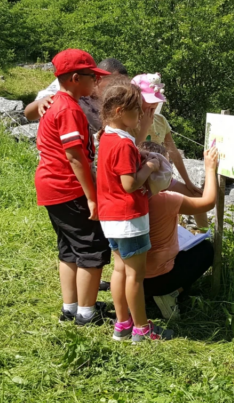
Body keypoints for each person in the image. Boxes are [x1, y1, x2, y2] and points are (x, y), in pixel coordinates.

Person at [34, 49, 112, 326]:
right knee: (92, 248)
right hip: (68, 187)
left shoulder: (58, 105)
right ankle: (87, 315)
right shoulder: (68, 108)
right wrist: (92, 197)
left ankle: (71, 307)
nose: (96, 82)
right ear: (76, 78)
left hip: (50, 187)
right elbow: (74, 156)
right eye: (93, 77)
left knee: (69, 249)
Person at [96, 82, 172, 343]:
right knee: (135, 277)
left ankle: (123, 324)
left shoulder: (105, 137)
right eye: (137, 112)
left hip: (111, 217)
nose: (141, 116)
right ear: (119, 111)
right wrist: (149, 166)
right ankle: (141, 328)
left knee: (119, 271)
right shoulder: (124, 146)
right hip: (129, 217)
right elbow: (130, 184)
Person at [143, 147, 220, 320]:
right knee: (206, 250)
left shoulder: (126, 197)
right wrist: (210, 169)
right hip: (161, 279)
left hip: (134, 279)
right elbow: (207, 203)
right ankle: (171, 293)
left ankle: (146, 298)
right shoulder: (166, 200)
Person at [131, 73, 209, 229]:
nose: (152, 106)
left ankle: (204, 236)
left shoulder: (160, 121)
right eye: (148, 102)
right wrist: (144, 126)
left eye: (155, 102)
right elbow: (129, 150)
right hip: (141, 181)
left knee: (196, 196)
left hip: (161, 177)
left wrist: (188, 183)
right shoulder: (129, 122)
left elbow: (173, 152)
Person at [24, 58, 128, 134]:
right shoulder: (69, 87)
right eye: (113, 83)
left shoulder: (111, 100)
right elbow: (30, 115)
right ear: (99, 78)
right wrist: (40, 103)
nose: (117, 90)